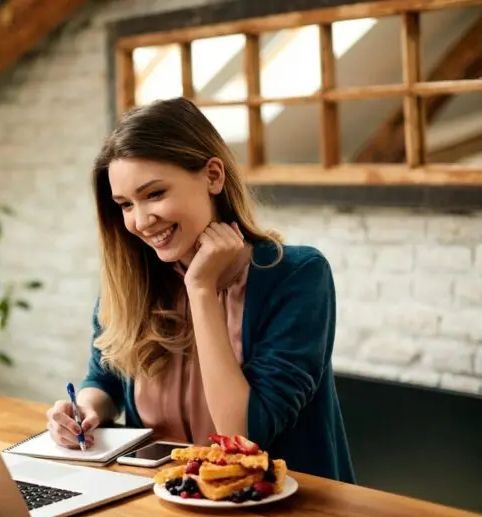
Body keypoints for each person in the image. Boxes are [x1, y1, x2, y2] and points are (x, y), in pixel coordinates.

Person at [46, 97, 355, 483]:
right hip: (163, 504)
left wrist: (202, 289)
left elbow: (242, 435)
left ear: (213, 176)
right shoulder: (134, 280)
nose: (141, 221)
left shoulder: (298, 276)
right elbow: (105, 378)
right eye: (125, 204)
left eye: (155, 194)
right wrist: (84, 411)